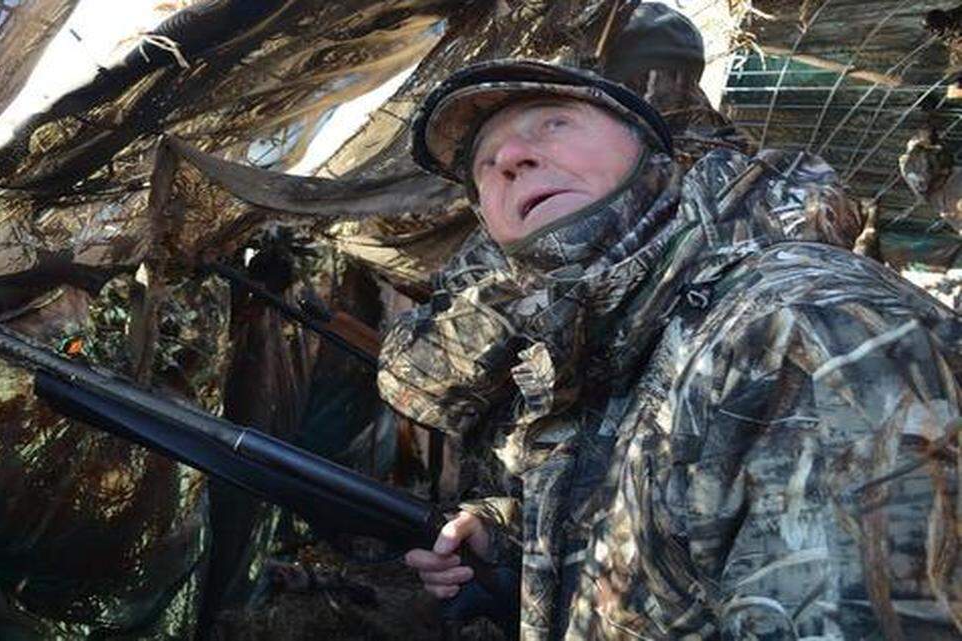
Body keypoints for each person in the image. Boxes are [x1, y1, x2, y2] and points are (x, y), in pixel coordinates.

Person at [378, 30, 962, 641]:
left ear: (659, 151)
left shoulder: (798, 326)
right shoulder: (607, 342)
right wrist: (510, 534)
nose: (509, 158)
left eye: (553, 123)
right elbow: (656, 519)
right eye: (482, 165)